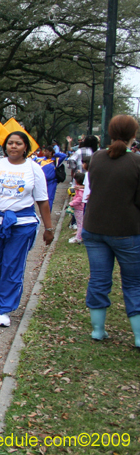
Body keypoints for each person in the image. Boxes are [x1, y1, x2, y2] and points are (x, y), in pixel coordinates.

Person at [0, 131, 53, 327]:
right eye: (10, 143)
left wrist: (49, 228)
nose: (14, 146)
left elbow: (43, 201)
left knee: (12, 266)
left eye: (18, 143)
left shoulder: (34, 168)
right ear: (5, 146)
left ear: (25, 147)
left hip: (23, 224)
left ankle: (5, 309)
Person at [80, 115, 140, 348]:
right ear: (133, 135)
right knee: (133, 283)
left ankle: (98, 330)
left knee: (99, 278)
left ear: (110, 132)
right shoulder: (136, 161)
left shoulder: (97, 158)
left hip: (94, 227)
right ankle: (138, 336)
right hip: (127, 230)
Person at [67, 172, 86, 244]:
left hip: (79, 209)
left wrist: (72, 203)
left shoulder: (80, 191)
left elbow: (79, 199)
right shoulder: (80, 189)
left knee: (80, 224)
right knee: (80, 223)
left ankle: (78, 238)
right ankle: (79, 236)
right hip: (78, 208)